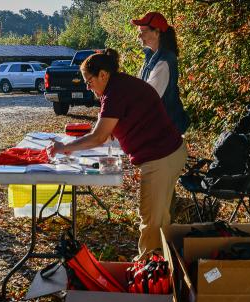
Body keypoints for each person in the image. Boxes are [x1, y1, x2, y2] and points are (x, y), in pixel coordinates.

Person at [48, 49, 187, 260]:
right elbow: (111, 130)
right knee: (160, 218)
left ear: (103, 74)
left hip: (161, 158)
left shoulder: (115, 92)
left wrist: (63, 148)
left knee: (151, 220)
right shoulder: (120, 86)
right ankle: (164, 264)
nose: (88, 86)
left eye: (89, 80)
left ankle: (149, 267)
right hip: (168, 153)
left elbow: (99, 137)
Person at [132, 12, 189, 135]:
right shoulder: (150, 57)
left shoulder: (164, 62)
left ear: (157, 32)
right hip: (158, 129)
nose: (139, 36)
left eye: (143, 31)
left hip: (166, 132)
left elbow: (147, 99)